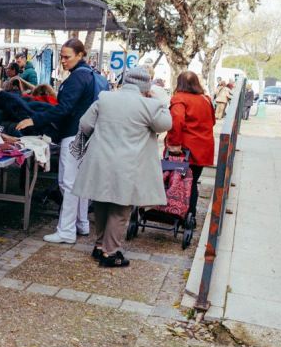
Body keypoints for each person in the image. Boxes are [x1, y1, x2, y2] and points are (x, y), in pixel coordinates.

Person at [72, 65, 172, 267]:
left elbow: (85, 124)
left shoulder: (106, 98)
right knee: (120, 209)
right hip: (128, 165)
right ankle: (111, 253)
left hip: (100, 161)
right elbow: (166, 125)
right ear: (145, 86)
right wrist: (159, 102)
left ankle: (99, 246)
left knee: (101, 203)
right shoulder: (149, 105)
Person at [10, 39, 98, 244]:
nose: (63, 61)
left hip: (74, 133)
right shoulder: (90, 76)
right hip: (85, 133)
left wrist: (35, 119)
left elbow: (64, 109)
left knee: (68, 183)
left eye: (67, 57)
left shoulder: (77, 78)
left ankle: (66, 230)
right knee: (79, 181)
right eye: (62, 56)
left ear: (80, 55)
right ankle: (81, 223)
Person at [166, 71, 217, 221]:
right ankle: (190, 216)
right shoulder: (206, 99)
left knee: (174, 180)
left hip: (183, 150)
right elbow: (212, 121)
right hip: (203, 148)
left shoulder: (179, 99)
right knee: (193, 182)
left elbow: (176, 122)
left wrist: (174, 144)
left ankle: (172, 212)